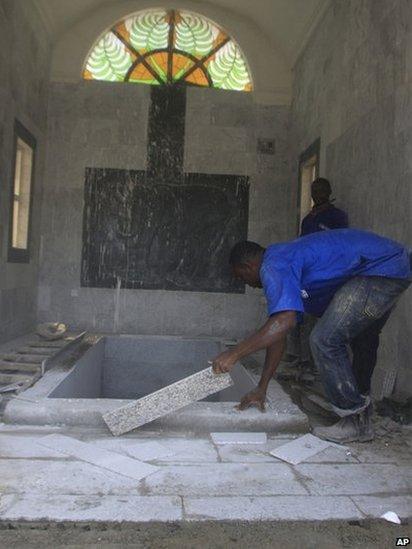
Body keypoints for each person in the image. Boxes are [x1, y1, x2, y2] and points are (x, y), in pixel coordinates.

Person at [211, 229, 411, 443]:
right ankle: (360, 418)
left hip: (378, 270)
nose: (247, 284)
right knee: (363, 338)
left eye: (242, 277)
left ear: (248, 266)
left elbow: (284, 320)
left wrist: (234, 354)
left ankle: (354, 420)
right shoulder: (283, 257)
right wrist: (262, 387)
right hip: (393, 267)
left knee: (324, 340)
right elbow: (279, 332)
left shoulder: (273, 265)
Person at [283, 178, 349, 368]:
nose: (316, 194)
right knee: (297, 311)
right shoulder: (308, 219)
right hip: (307, 272)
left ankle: (309, 360)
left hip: (326, 274)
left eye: (321, 190)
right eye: (314, 190)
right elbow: (303, 246)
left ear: (329, 192)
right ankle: (297, 356)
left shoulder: (337, 217)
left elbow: (340, 246)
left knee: (313, 315)